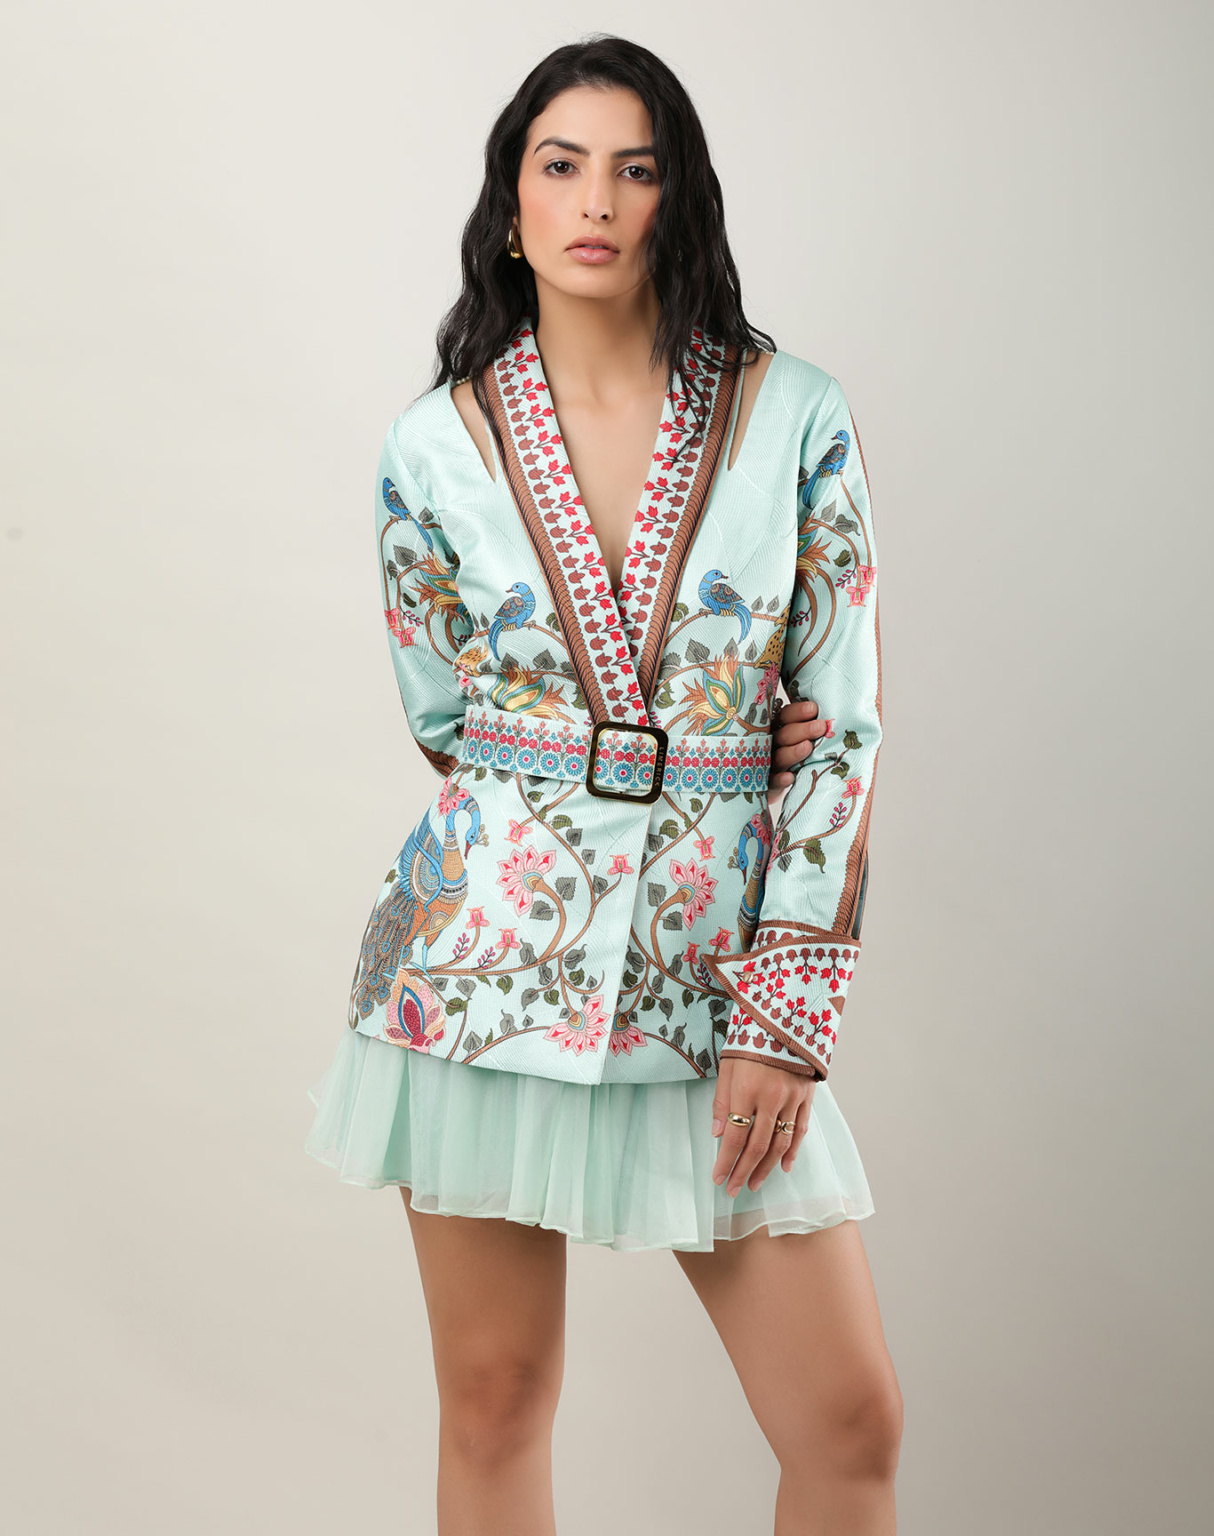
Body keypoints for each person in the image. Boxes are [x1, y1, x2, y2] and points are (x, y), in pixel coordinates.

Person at [305, 33, 902, 1535]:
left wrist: (786, 1009)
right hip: (479, 975)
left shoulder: (795, 416)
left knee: (848, 1421)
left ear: (676, 198)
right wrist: (633, 765)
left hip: (720, 978)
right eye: (560, 165)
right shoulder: (432, 448)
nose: (595, 201)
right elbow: (446, 714)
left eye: (635, 169)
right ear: (510, 204)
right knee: (496, 1404)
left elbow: (839, 727)